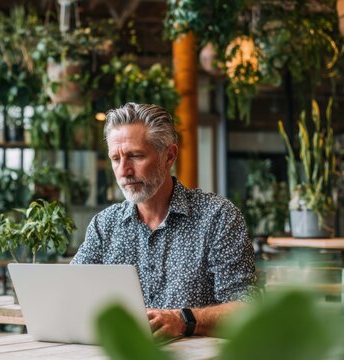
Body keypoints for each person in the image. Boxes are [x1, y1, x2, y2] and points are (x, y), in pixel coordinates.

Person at [71, 102, 256, 339]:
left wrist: (183, 320)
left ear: (169, 156)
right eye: (115, 159)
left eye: (135, 156)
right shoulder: (104, 226)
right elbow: (72, 294)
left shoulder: (217, 217)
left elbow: (246, 310)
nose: (123, 170)